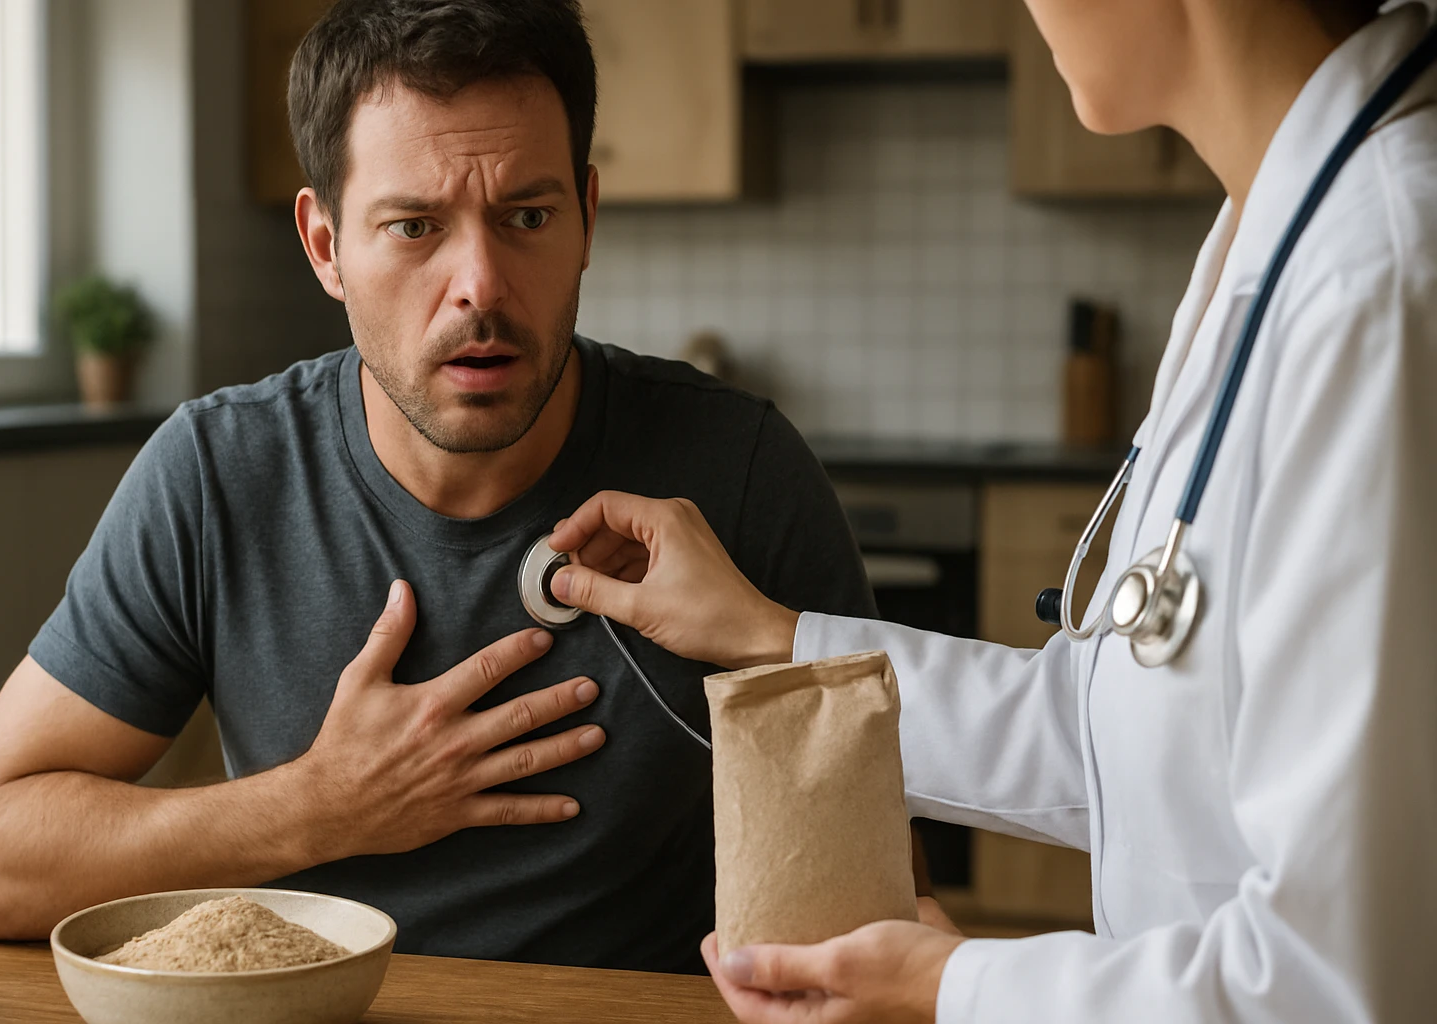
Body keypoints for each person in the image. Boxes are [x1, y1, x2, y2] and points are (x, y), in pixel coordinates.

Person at [0, 0, 875, 975]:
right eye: (415, 226)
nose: (480, 284)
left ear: (589, 217)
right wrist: (316, 805)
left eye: (528, 216)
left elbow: (867, 881)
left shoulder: (742, 467)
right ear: (326, 245)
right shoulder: (216, 474)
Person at [544, 0, 1437, 1018]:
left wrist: (951, 989)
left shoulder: (1383, 276)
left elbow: (1338, 981)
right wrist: (765, 635)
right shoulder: (1270, 238)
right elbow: (1106, 734)